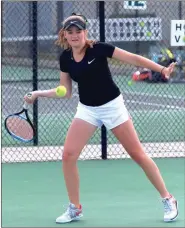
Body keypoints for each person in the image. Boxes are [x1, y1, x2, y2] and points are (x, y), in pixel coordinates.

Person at [24, 13, 178, 224]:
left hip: (112, 107)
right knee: (68, 155)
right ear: (65, 35)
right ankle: (75, 208)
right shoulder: (65, 58)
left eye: (79, 31)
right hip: (87, 109)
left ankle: (168, 199)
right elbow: (65, 91)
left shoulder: (99, 48)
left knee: (137, 154)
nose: (75, 35)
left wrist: (161, 69)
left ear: (85, 32)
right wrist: (39, 93)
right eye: (71, 32)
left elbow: (132, 58)